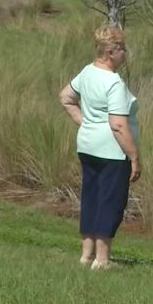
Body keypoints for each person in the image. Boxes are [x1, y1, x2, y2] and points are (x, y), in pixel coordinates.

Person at [59, 25, 141, 270]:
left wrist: (85, 122)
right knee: (110, 200)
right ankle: (102, 259)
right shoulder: (113, 82)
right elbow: (118, 125)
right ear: (109, 52)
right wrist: (134, 156)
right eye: (121, 49)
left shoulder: (87, 72)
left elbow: (66, 97)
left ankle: (86, 255)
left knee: (91, 196)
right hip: (112, 152)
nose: (125, 53)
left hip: (87, 146)